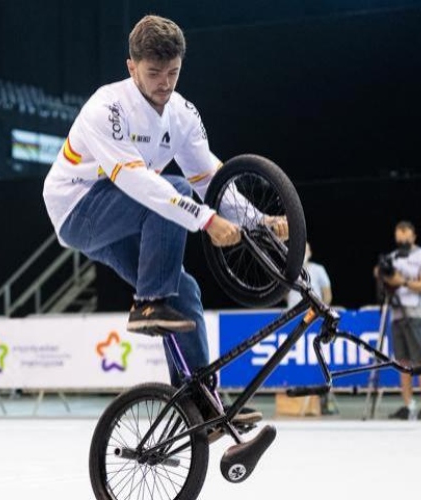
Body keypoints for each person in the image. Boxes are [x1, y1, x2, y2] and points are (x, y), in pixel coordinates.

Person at [43, 15, 287, 432]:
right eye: (153, 73)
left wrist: (257, 220)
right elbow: (138, 182)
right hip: (77, 208)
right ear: (131, 67)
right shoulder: (107, 109)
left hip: (125, 210)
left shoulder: (183, 114)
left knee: (186, 289)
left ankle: (200, 402)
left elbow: (209, 176)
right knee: (166, 190)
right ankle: (149, 301)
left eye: (173, 72)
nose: (164, 83)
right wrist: (205, 219)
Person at [380, 221, 421, 420]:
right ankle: (408, 405)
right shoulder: (392, 257)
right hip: (396, 314)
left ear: (413, 236)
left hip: (415, 313)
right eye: (399, 235)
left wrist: (401, 281)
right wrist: (381, 273)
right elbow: (382, 277)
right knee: (402, 362)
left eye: (405, 234)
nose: (402, 239)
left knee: (420, 362)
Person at [287, 242, 332, 308]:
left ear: (310, 253)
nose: (302, 253)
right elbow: (283, 293)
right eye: (299, 251)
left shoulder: (318, 269)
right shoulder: (288, 270)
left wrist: (321, 310)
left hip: (313, 312)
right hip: (292, 311)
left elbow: (327, 295)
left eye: (305, 250)